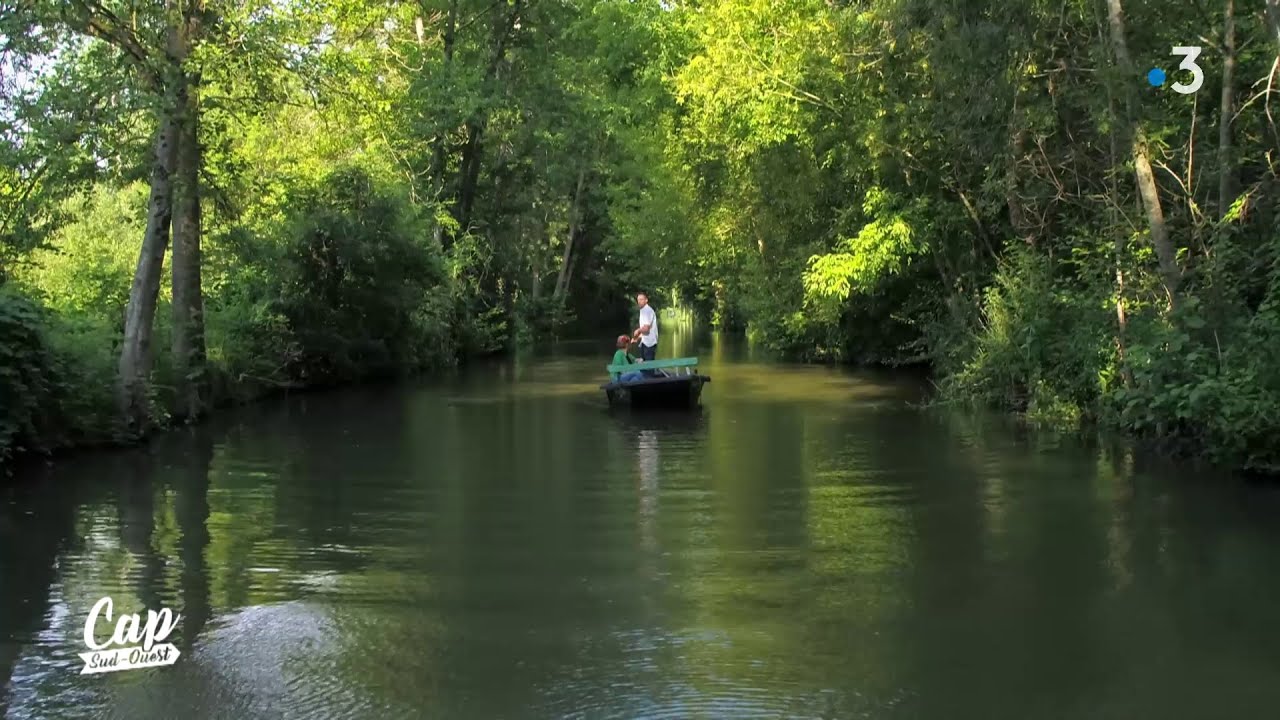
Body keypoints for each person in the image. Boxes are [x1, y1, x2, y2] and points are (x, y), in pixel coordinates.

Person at [631, 292, 659, 363]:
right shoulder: (643, 310)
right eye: (638, 300)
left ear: (646, 300)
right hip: (645, 342)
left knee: (648, 366)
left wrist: (638, 330)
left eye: (641, 299)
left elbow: (646, 329)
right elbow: (645, 331)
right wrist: (637, 338)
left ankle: (649, 374)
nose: (639, 301)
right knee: (643, 364)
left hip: (650, 343)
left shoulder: (648, 311)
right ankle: (645, 374)